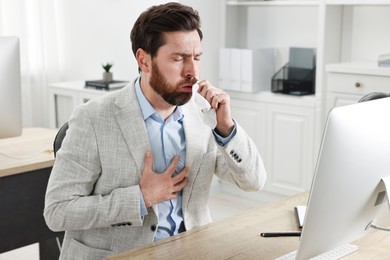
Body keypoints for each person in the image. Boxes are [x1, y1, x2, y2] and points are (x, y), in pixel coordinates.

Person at [44, 2, 267, 259]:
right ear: (144, 60)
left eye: (196, 57)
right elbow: (57, 211)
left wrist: (227, 129)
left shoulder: (204, 112)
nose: (192, 72)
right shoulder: (93, 118)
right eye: (178, 58)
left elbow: (253, 182)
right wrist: (140, 197)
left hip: (192, 251)